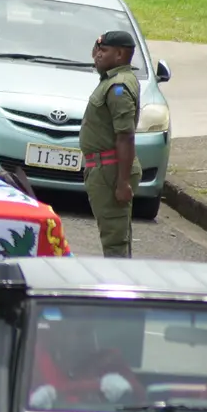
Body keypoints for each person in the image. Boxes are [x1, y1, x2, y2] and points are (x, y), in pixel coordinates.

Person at [78, 30, 141, 258]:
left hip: (111, 171)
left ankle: (118, 289)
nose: (97, 56)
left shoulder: (118, 87)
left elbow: (125, 136)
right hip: (105, 168)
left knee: (115, 242)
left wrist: (122, 182)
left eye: (103, 51)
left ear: (120, 54)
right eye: (97, 50)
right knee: (116, 237)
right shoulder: (112, 80)